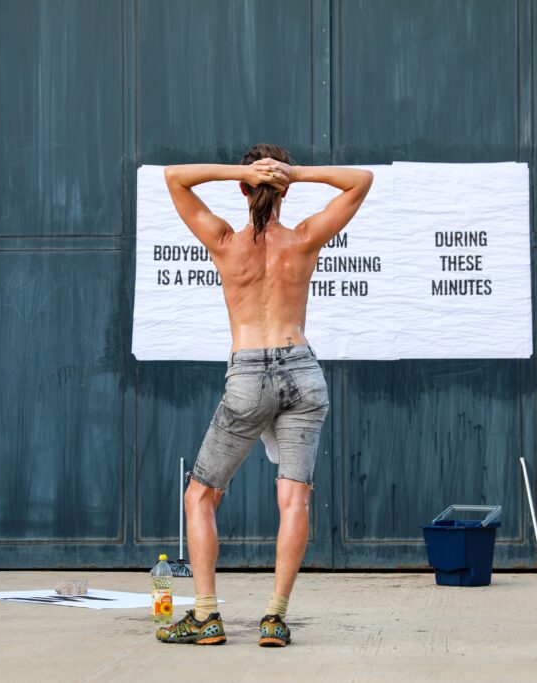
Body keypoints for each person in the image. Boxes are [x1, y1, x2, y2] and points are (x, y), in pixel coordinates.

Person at [154, 144, 373, 647]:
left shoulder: (225, 241)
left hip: (250, 374)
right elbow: (360, 180)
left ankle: (206, 616)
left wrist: (246, 172)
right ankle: (274, 617)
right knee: (294, 497)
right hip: (303, 370)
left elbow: (174, 176)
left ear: (242, 187)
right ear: (284, 189)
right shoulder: (303, 238)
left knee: (201, 496)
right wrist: (294, 174)